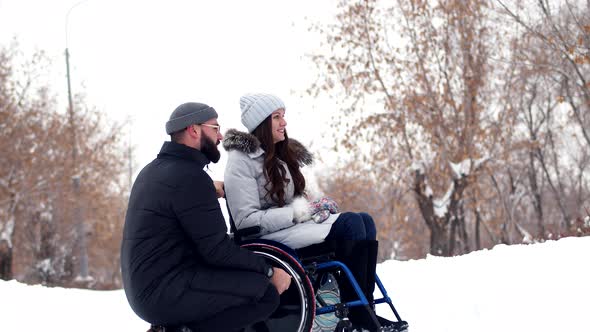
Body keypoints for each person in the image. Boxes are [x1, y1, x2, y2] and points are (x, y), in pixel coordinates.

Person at [223, 93, 402, 332]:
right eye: (277, 117)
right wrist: (297, 213)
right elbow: (246, 221)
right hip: (266, 237)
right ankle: (357, 314)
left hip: (290, 227)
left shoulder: (279, 155)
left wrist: (316, 205)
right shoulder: (241, 160)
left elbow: (292, 199)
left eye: (283, 116)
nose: (284, 123)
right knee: (350, 224)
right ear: (262, 124)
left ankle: (365, 308)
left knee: (364, 221)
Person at [121, 102, 291, 332]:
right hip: (165, 291)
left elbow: (176, 201)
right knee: (265, 293)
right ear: (194, 130)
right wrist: (269, 269)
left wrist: (208, 188)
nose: (221, 135)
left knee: (241, 279)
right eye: (215, 128)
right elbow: (217, 251)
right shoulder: (190, 177)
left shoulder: (155, 170)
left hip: (147, 289)